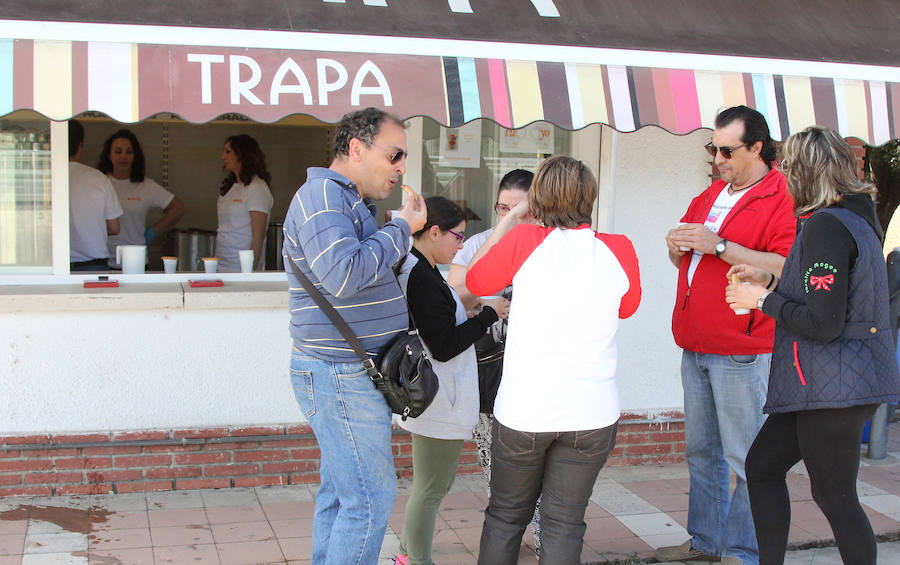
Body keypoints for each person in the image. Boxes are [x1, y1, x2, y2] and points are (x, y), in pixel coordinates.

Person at [726, 126, 900, 565]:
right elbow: (828, 296)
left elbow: (824, 322)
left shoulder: (827, 226)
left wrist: (760, 300)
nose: (783, 175)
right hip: (825, 383)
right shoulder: (856, 219)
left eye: (788, 166)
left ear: (806, 171)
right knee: (763, 467)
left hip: (833, 386)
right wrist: (769, 280)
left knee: (835, 496)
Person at [467, 156, 641, 564]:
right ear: (590, 197)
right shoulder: (618, 248)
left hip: (525, 412)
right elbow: (627, 307)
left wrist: (511, 220)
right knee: (564, 522)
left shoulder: (525, 241)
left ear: (538, 198)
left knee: (506, 516)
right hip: (592, 413)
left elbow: (476, 281)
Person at [283, 107, 427, 565]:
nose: (401, 167)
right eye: (394, 154)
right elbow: (344, 275)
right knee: (368, 498)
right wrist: (400, 229)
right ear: (357, 148)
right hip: (341, 374)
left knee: (342, 495)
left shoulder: (345, 200)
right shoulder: (323, 197)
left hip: (347, 371)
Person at [657, 105, 796, 565]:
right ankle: (706, 543)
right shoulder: (712, 193)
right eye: (712, 149)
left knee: (747, 458)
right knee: (701, 453)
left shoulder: (781, 196)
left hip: (742, 346)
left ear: (757, 147)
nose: (717, 159)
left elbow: (785, 266)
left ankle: (742, 551)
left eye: (727, 151)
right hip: (696, 341)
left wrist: (718, 245)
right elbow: (687, 259)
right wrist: (676, 246)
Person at [394, 196, 510, 565]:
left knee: (432, 485)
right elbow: (443, 347)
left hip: (435, 396)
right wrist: (487, 315)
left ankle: (406, 554)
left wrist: (468, 313)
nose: (461, 245)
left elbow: (437, 328)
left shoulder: (421, 267)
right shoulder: (419, 276)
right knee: (431, 488)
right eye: (457, 237)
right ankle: (416, 560)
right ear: (433, 232)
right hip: (436, 398)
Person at [446, 168, 543, 552]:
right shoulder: (478, 244)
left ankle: (545, 537)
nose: (511, 216)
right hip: (488, 365)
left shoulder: (550, 244)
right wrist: (485, 295)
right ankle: (508, 536)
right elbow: (455, 295)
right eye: (503, 208)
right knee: (495, 458)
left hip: (537, 369)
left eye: (519, 209)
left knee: (537, 458)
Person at [98, 129, 185, 268]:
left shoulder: (146, 186)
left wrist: (151, 233)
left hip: (137, 263)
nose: (123, 156)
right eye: (118, 151)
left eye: (129, 152)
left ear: (135, 156)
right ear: (109, 155)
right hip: (104, 261)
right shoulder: (99, 183)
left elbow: (178, 208)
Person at [68, 119, 123, 272]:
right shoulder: (98, 178)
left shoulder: (45, 176)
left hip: (52, 266)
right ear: (80, 147)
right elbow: (114, 228)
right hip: (93, 266)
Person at [216, 134, 273, 272]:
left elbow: (258, 236)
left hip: (241, 267)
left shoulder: (257, 188)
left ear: (242, 155)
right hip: (222, 264)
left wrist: (248, 273)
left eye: (228, 152)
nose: (223, 157)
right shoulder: (232, 186)